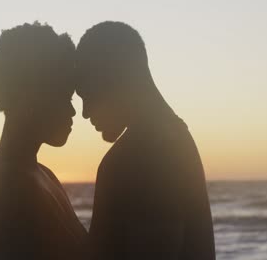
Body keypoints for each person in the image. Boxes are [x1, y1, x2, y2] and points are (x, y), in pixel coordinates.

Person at [75, 21, 216, 259]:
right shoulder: (176, 139)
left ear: (116, 79)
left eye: (88, 93)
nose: (85, 112)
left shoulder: (129, 161)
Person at [0, 22, 87, 260]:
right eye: (64, 98)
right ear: (31, 98)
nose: (73, 112)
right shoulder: (6, 186)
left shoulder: (41, 173)